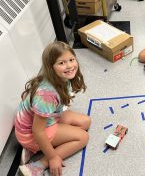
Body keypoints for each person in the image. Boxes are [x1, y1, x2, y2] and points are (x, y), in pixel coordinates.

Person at [15, 41, 91, 176]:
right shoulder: (46, 95)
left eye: (71, 60)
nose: (69, 66)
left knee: (86, 122)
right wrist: (53, 157)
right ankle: (40, 163)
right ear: (51, 67)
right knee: (83, 137)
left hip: (47, 120)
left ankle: (45, 146)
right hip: (31, 135)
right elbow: (37, 131)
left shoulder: (60, 78)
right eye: (61, 63)